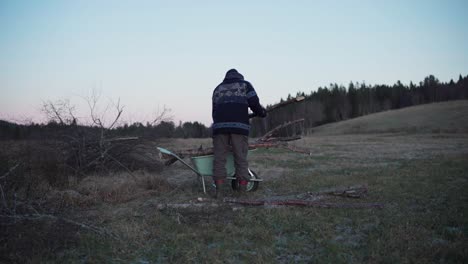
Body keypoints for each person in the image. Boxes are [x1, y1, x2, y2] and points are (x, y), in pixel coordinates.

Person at [211, 69, 267, 198]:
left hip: (219, 128)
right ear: (240, 76)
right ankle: (242, 191)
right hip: (239, 127)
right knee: (240, 158)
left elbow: (214, 111)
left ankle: (219, 191)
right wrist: (262, 113)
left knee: (219, 159)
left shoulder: (217, 89)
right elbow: (254, 104)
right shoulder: (245, 85)